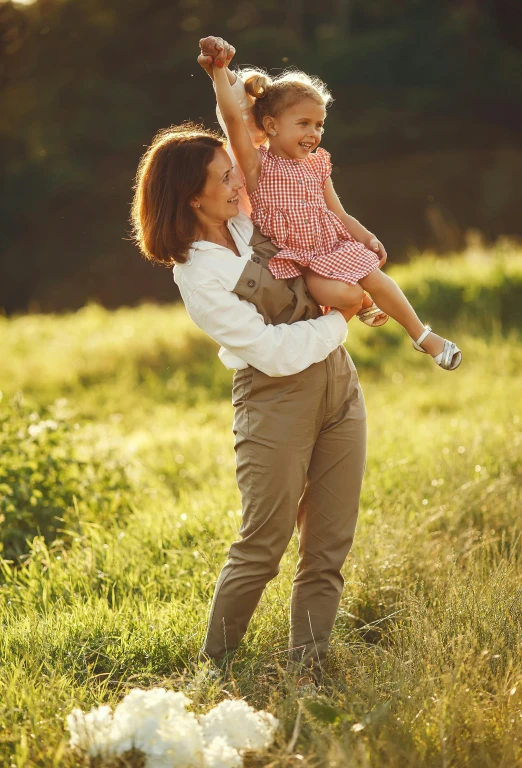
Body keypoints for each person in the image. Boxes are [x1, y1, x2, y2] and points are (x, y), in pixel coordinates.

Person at [130, 40, 366, 686]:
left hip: (338, 387)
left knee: (327, 549)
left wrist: (221, 77)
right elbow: (268, 350)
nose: (241, 176)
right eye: (225, 177)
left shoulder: (243, 217)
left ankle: (309, 668)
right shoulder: (199, 276)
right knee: (262, 547)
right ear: (192, 201)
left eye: (234, 171)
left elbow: (240, 125)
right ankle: (216, 669)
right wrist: (341, 317)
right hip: (274, 397)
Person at [208, 39, 462, 371]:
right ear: (271, 126)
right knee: (348, 296)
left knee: (373, 274)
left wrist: (366, 236)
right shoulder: (257, 166)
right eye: (304, 124)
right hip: (298, 262)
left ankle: (424, 336)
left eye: (319, 125)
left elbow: (338, 213)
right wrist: (217, 72)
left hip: (330, 247)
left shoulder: (316, 166)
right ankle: (366, 303)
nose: (314, 133)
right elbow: (231, 117)